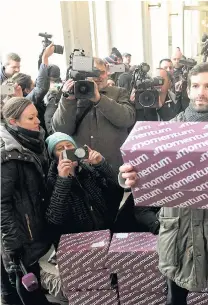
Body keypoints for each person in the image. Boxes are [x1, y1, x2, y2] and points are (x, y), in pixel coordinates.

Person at [120, 63, 208, 305]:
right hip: (179, 226)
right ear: (187, 90)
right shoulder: (171, 127)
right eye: (195, 86)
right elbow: (143, 163)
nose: (201, 92)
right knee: (175, 298)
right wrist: (127, 176)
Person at [1, 97, 55, 305]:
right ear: (13, 122)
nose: (38, 121)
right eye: (31, 118)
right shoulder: (7, 154)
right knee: (23, 279)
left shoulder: (33, 140)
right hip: (20, 234)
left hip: (32, 225)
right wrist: (12, 244)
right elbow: (2, 204)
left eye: (37, 115)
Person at [52, 58, 135, 177]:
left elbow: (127, 119)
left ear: (107, 72)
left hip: (113, 168)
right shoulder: (73, 96)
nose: (99, 76)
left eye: (101, 72)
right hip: (82, 169)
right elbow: (61, 130)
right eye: (93, 73)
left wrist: (99, 99)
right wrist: (67, 100)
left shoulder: (119, 93)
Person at [44, 132, 121, 243]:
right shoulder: (51, 179)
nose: (67, 150)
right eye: (60, 148)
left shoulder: (87, 169)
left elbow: (116, 192)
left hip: (103, 235)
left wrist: (101, 164)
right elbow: (54, 218)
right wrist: (63, 179)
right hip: (77, 244)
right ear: (54, 156)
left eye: (69, 145)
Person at [7, 44, 55, 135]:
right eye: (33, 87)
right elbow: (41, 87)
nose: (37, 121)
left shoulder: (12, 103)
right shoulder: (27, 102)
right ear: (27, 91)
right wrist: (45, 58)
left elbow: (39, 82)